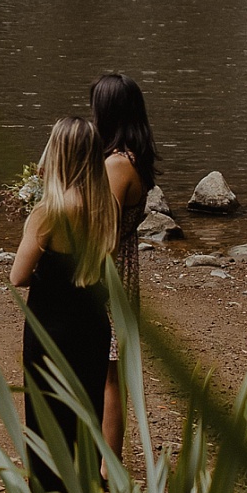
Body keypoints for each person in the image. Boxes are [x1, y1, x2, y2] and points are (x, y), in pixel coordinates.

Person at [10, 116, 120, 481]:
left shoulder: (50, 213)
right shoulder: (107, 208)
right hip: (92, 328)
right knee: (84, 423)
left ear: (57, 155)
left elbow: (18, 276)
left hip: (51, 331)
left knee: (47, 425)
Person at [91, 72, 157, 441]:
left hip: (109, 275)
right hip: (126, 269)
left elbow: (107, 231)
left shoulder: (117, 164)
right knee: (109, 373)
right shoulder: (134, 157)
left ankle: (107, 465)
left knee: (108, 375)